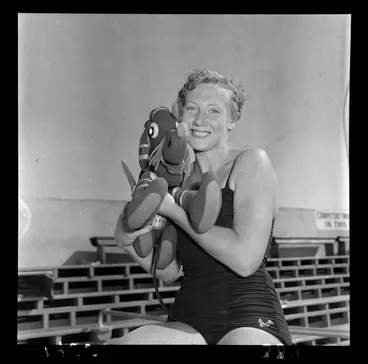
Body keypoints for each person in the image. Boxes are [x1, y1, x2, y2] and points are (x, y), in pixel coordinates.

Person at [112, 68, 293, 345]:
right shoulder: (173, 177)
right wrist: (126, 241)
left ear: (232, 119)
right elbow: (171, 272)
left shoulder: (250, 162)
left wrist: (174, 211)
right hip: (189, 315)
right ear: (179, 114)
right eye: (192, 108)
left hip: (247, 312)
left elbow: (245, 261)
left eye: (213, 111)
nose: (199, 120)